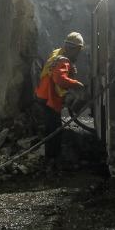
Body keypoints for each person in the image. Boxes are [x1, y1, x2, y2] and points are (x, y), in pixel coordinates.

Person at [35, 31, 86, 171]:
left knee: (52, 127)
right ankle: (52, 160)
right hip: (49, 98)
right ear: (73, 49)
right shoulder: (63, 60)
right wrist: (76, 84)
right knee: (54, 130)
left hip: (43, 95)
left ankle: (51, 158)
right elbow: (59, 79)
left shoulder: (57, 53)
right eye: (78, 51)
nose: (78, 54)